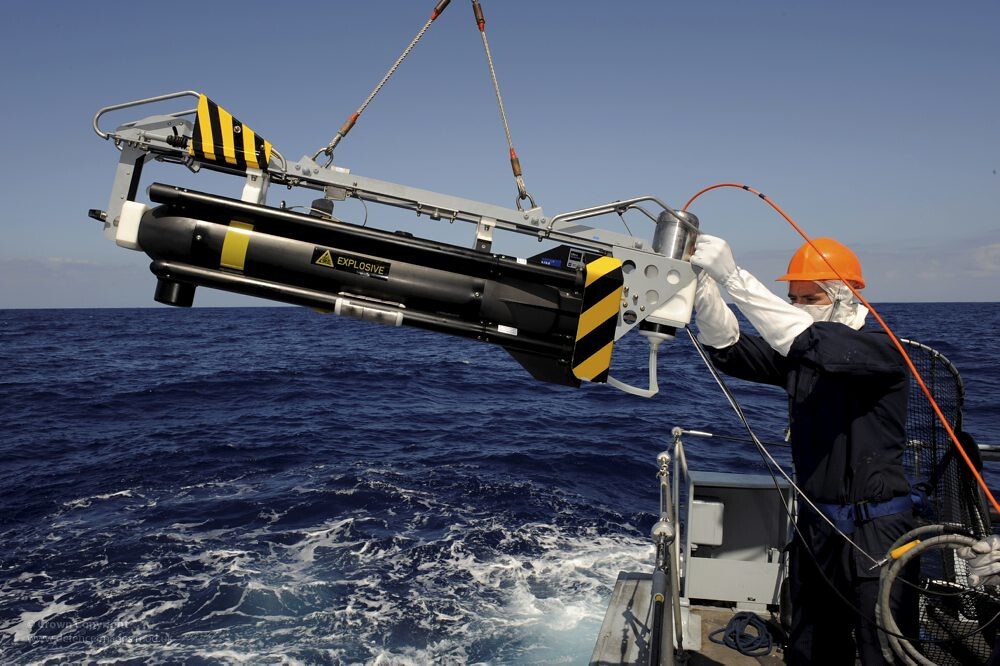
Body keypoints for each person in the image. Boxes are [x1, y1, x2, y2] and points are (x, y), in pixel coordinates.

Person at [690, 234, 917, 665]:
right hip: (817, 529)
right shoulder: (804, 356)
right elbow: (730, 348)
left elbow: (811, 341)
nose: (798, 307)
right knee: (810, 647)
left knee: (884, 653)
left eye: (809, 298)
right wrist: (704, 287)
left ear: (844, 297)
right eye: (792, 299)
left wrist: (734, 278)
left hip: (878, 535)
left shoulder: (882, 350)